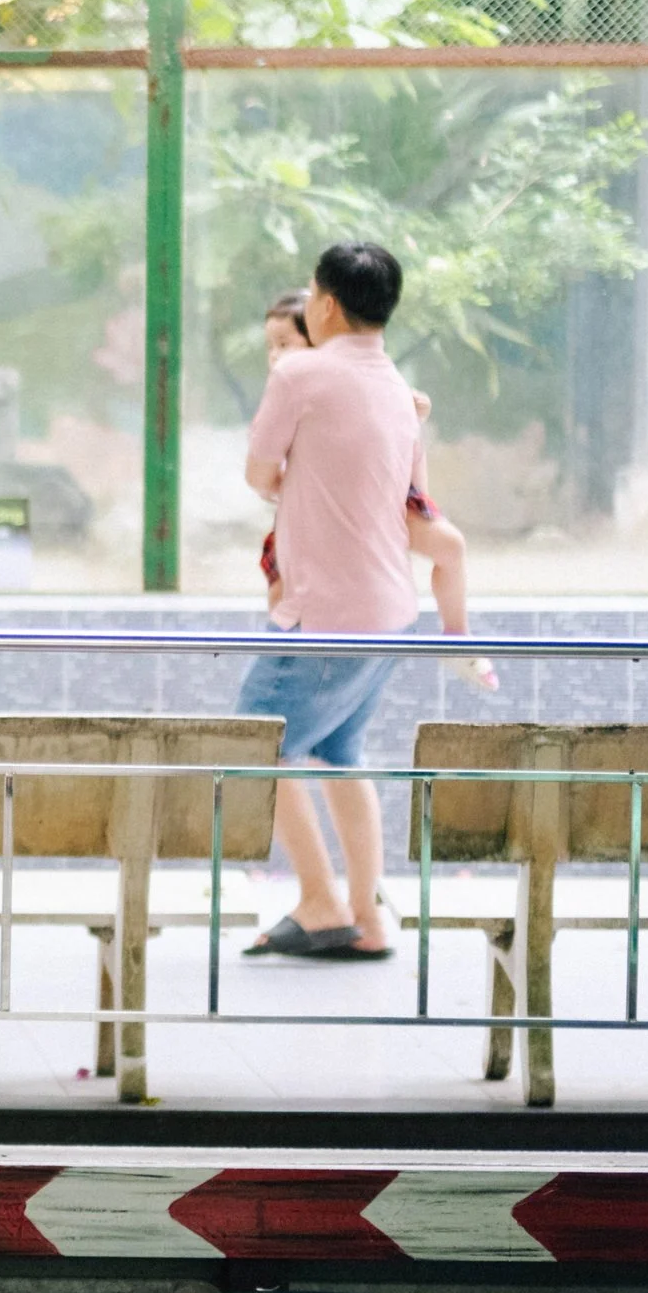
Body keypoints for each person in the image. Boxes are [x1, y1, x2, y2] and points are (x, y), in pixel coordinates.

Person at [238, 243, 421, 961]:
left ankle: (319, 902)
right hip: (392, 611)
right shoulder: (400, 387)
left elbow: (259, 473)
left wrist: (298, 482)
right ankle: (367, 914)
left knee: (257, 745)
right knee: (341, 753)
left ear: (327, 305)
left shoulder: (301, 372)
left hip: (325, 613)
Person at [258, 290, 495, 693]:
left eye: (285, 344)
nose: (276, 356)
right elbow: (270, 465)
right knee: (283, 586)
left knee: (450, 546)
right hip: (318, 522)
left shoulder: (351, 376)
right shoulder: (291, 388)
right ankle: (286, 649)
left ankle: (457, 637)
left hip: (381, 499)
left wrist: (410, 411)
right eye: (271, 347)